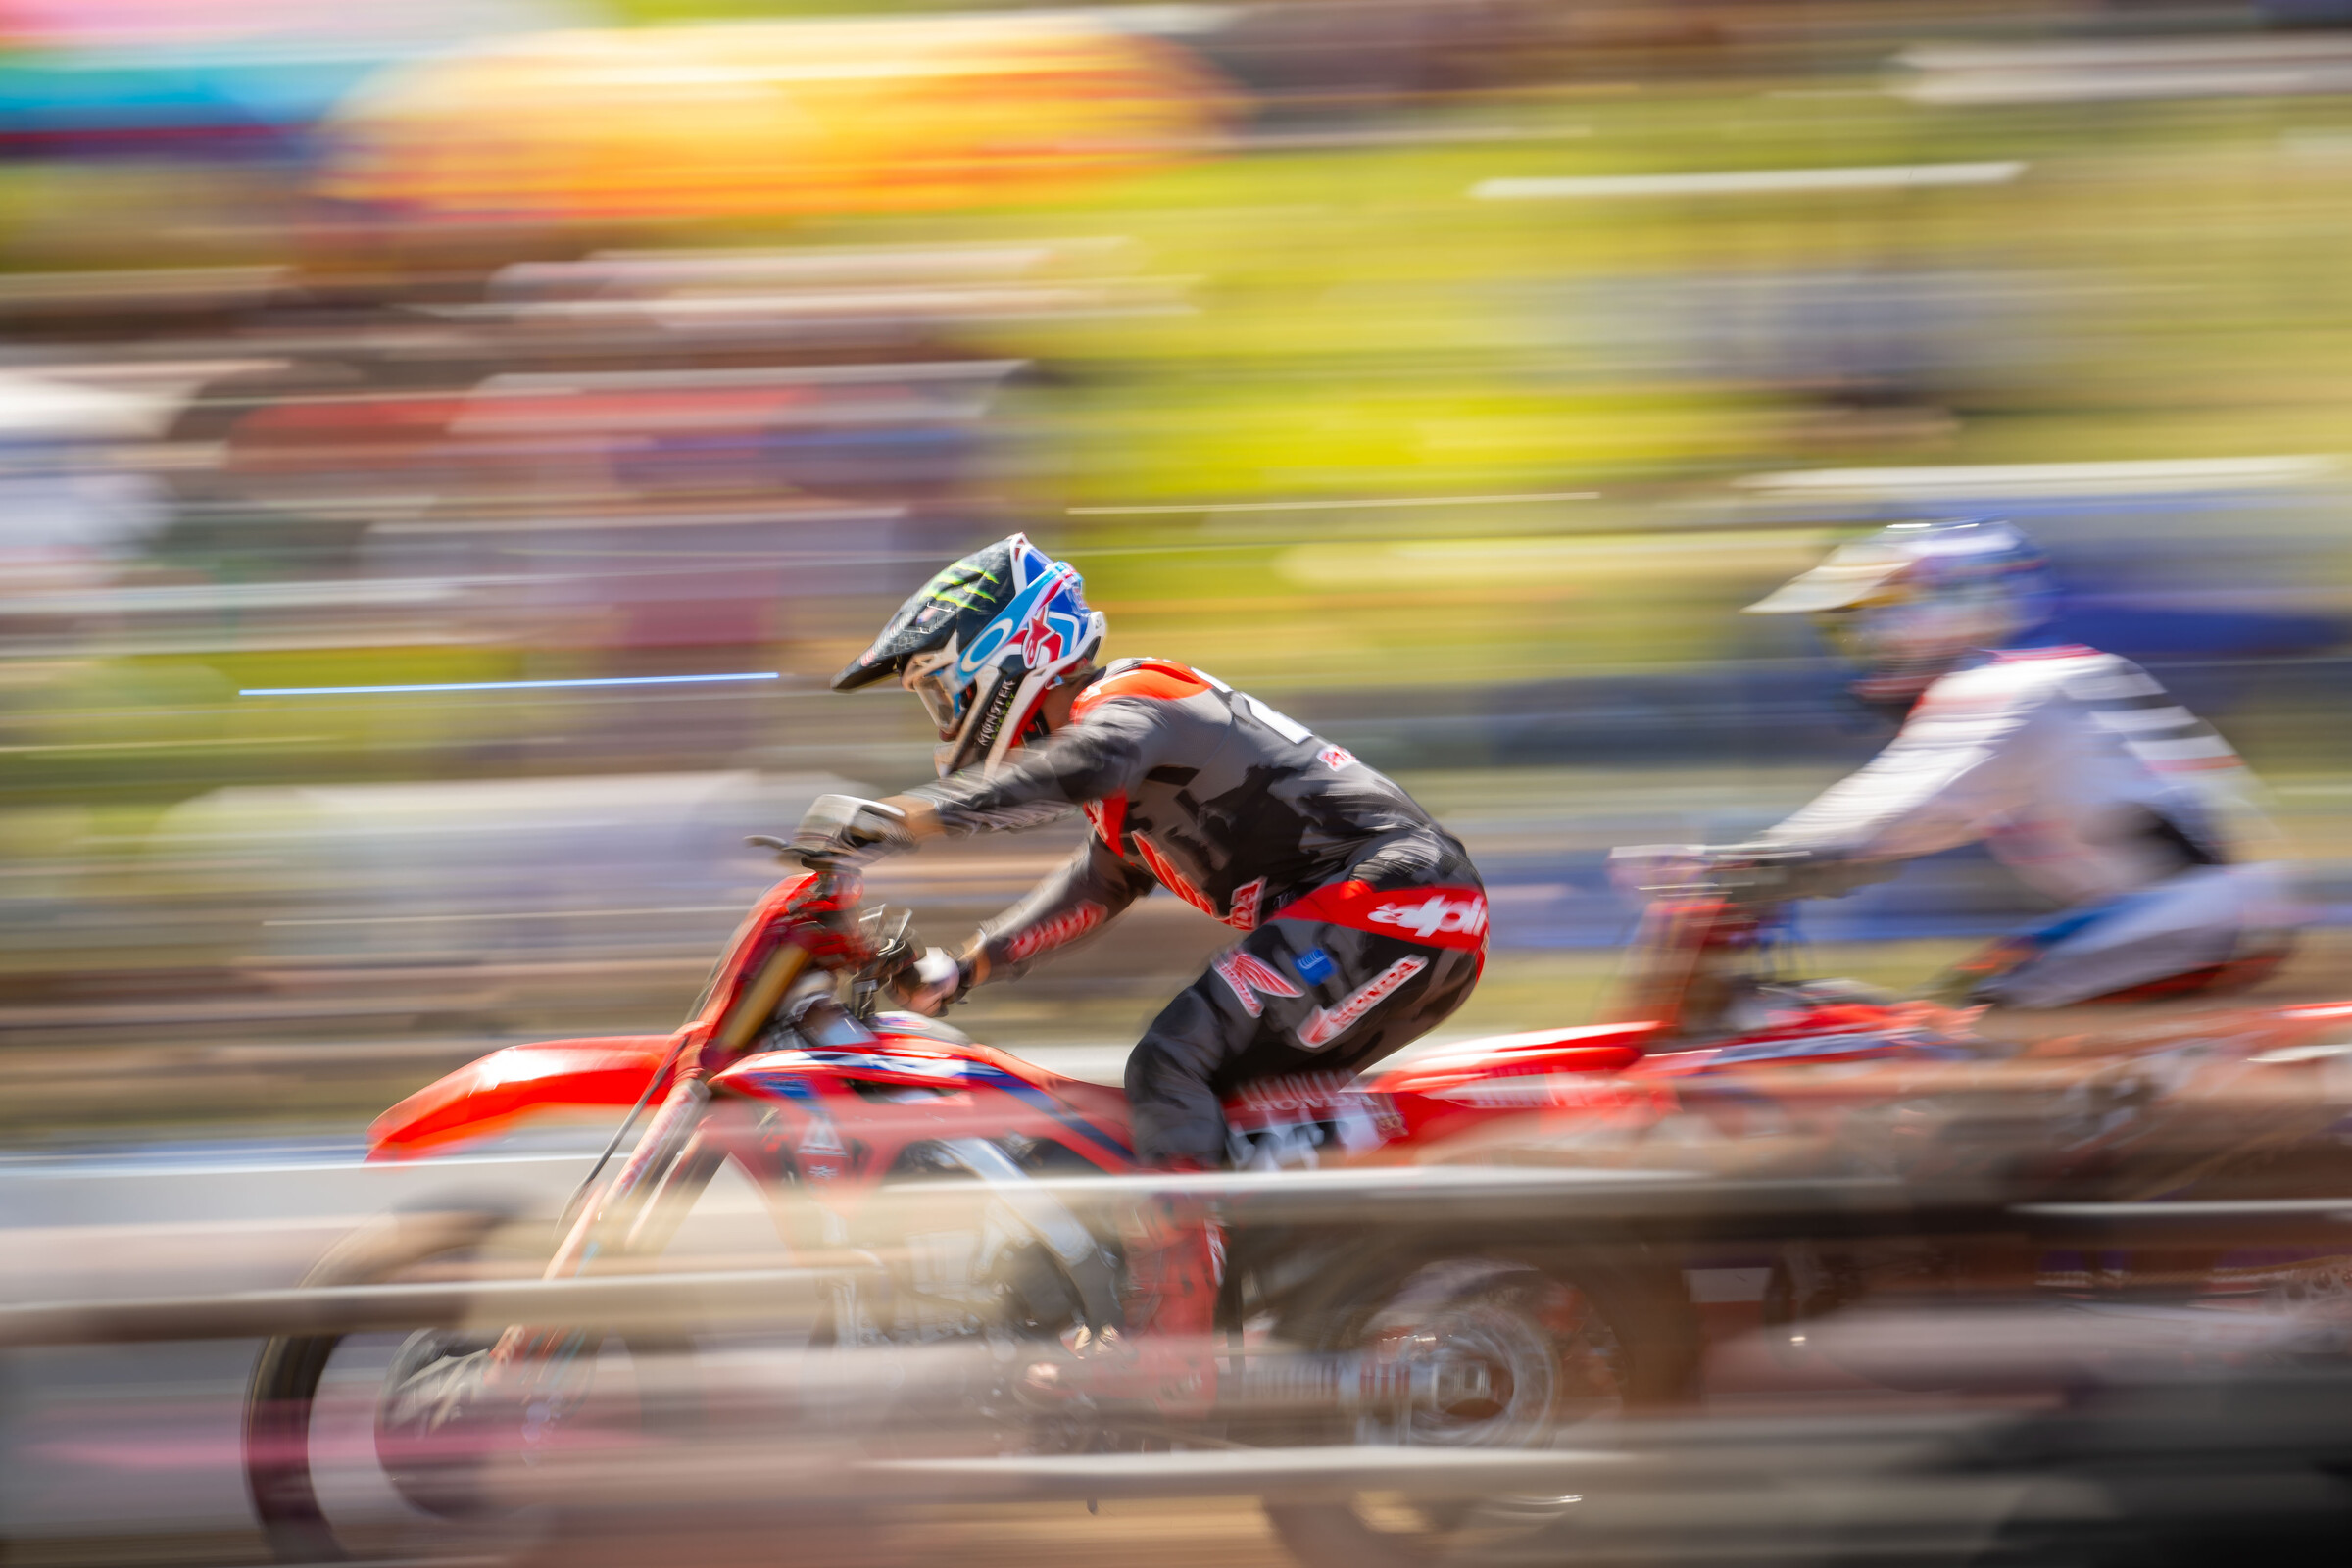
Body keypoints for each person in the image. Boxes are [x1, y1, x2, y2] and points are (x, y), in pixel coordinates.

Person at [789, 532, 1487, 1407]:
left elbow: (1081, 765)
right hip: (1386, 917)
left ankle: (1174, 1351)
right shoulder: (1128, 788)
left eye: (941, 685)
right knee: (1180, 1117)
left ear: (1009, 653)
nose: (941, 712)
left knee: (1171, 1061)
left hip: (1396, 903)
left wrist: (908, 818)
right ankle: (1247, 1320)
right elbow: (1095, 884)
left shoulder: (1136, 702)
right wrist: (961, 970)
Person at [1736, 517, 2297, 1010]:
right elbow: (1924, 805)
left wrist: (1767, 859)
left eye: (1863, 623)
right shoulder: (2038, 679)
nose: (1853, 646)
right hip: (2198, 910)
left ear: (1929, 614)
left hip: (2183, 915)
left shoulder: (2006, 687)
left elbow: (1911, 799)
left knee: (1980, 1026)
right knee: (1964, 1012)